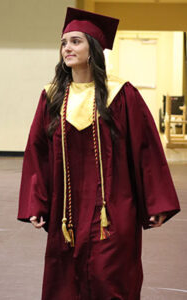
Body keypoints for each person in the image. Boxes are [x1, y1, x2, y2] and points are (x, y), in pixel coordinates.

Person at [17, 7, 180, 300]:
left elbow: (146, 150)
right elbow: (37, 153)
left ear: (93, 48)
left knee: (111, 278)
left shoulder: (122, 95)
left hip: (113, 212)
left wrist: (157, 203)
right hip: (66, 215)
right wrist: (35, 203)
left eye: (76, 41)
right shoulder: (52, 97)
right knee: (64, 282)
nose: (67, 48)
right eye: (64, 43)